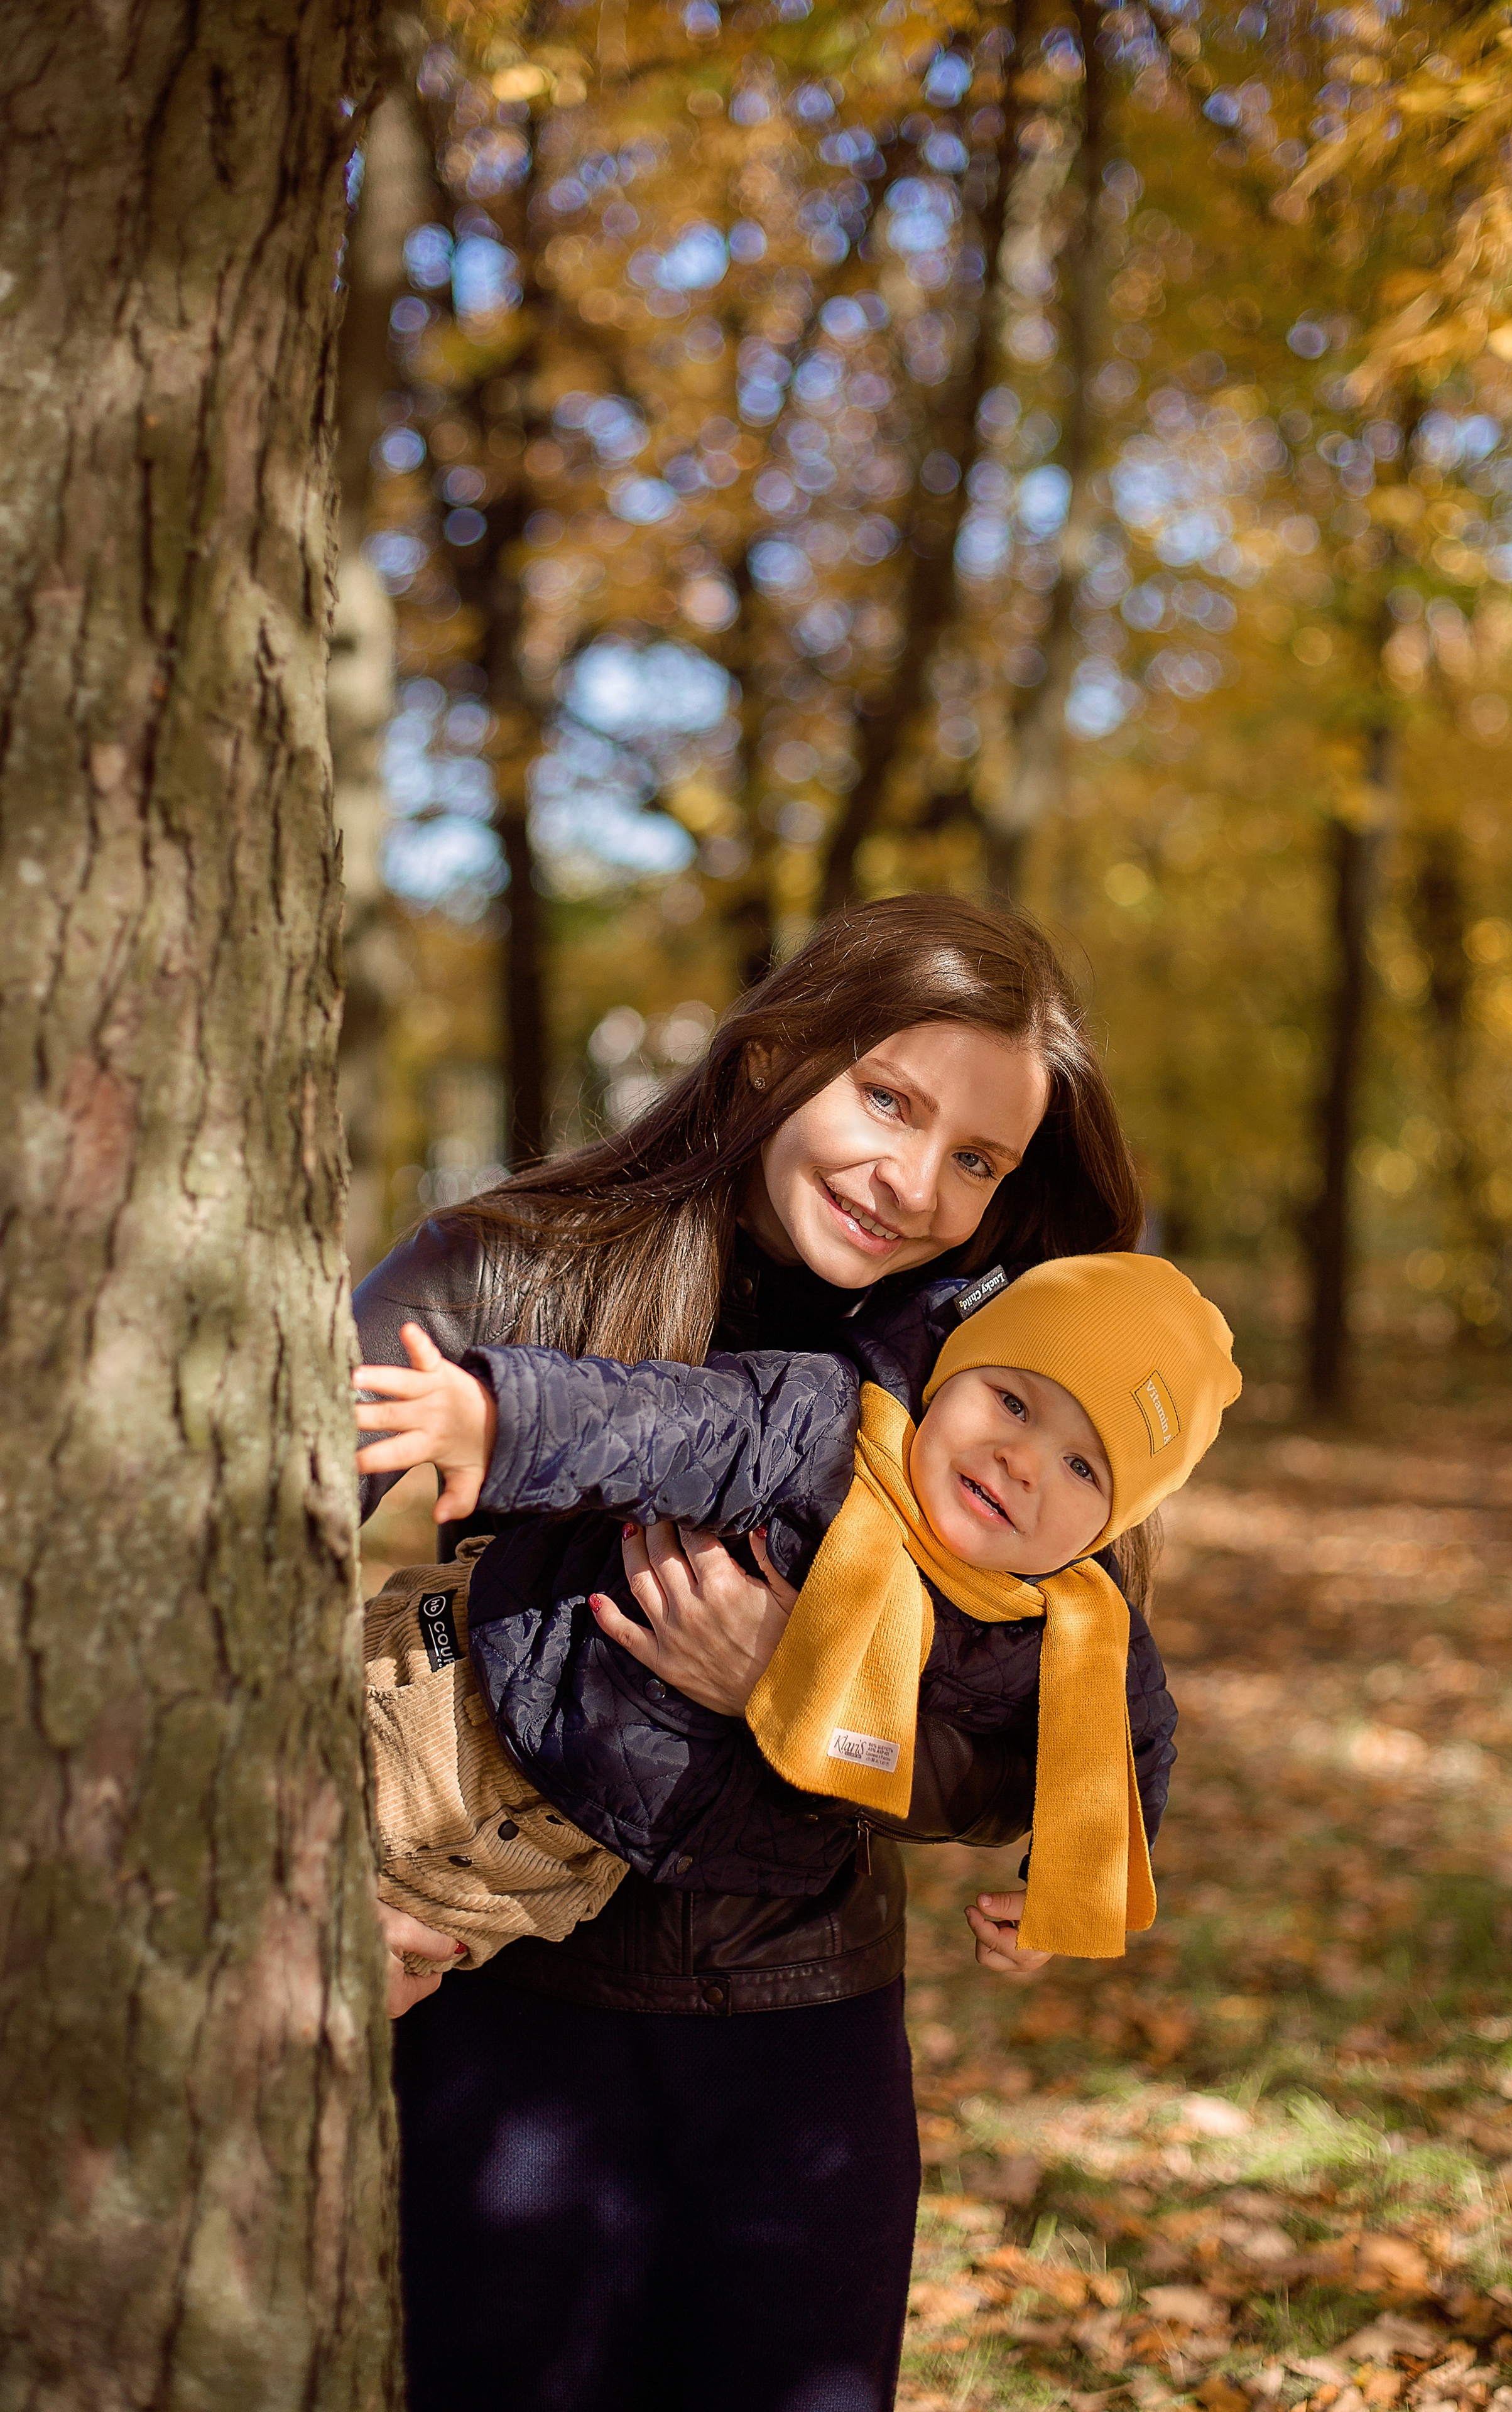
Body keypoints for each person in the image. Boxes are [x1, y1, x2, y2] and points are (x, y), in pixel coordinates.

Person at [353, 894, 1179, 2412]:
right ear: (771, 1057)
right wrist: (322, 1874)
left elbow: (1037, 1738)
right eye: (887, 1100)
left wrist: (803, 1689)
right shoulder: (501, 1266)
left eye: (976, 1159)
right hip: (497, 1994)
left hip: (802, 2028)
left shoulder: (1010, 1382)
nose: (914, 1184)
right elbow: (216, 1593)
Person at [357, 1250, 1237, 1970]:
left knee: (357, 1961)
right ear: (953, 1372)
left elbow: (1128, 1748)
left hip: (554, 1861)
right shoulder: (820, 1429)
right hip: (469, 1687)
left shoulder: (1068, 1632)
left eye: (1084, 1468)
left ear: (1109, 1529)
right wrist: (501, 1419)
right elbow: (663, 1422)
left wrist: (1067, 1890)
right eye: (1013, 1401)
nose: (1022, 1461)